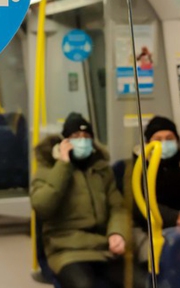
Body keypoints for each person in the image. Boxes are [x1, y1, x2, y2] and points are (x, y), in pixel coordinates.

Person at [31, 113, 136, 288]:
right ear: (64, 142)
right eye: (76, 136)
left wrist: (117, 233)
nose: (82, 141)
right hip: (66, 248)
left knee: (144, 282)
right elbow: (42, 206)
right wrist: (63, 165)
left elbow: (118, 207)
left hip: (103, 246)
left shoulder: (102, 170)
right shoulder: (48, 169)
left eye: (87, 137)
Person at [130, 116, 180, 264]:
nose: (164, 143)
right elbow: (138, 204)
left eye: (169, 138)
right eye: (158, 139)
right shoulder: (138, 167)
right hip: (148, 227)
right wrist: (175, 217)